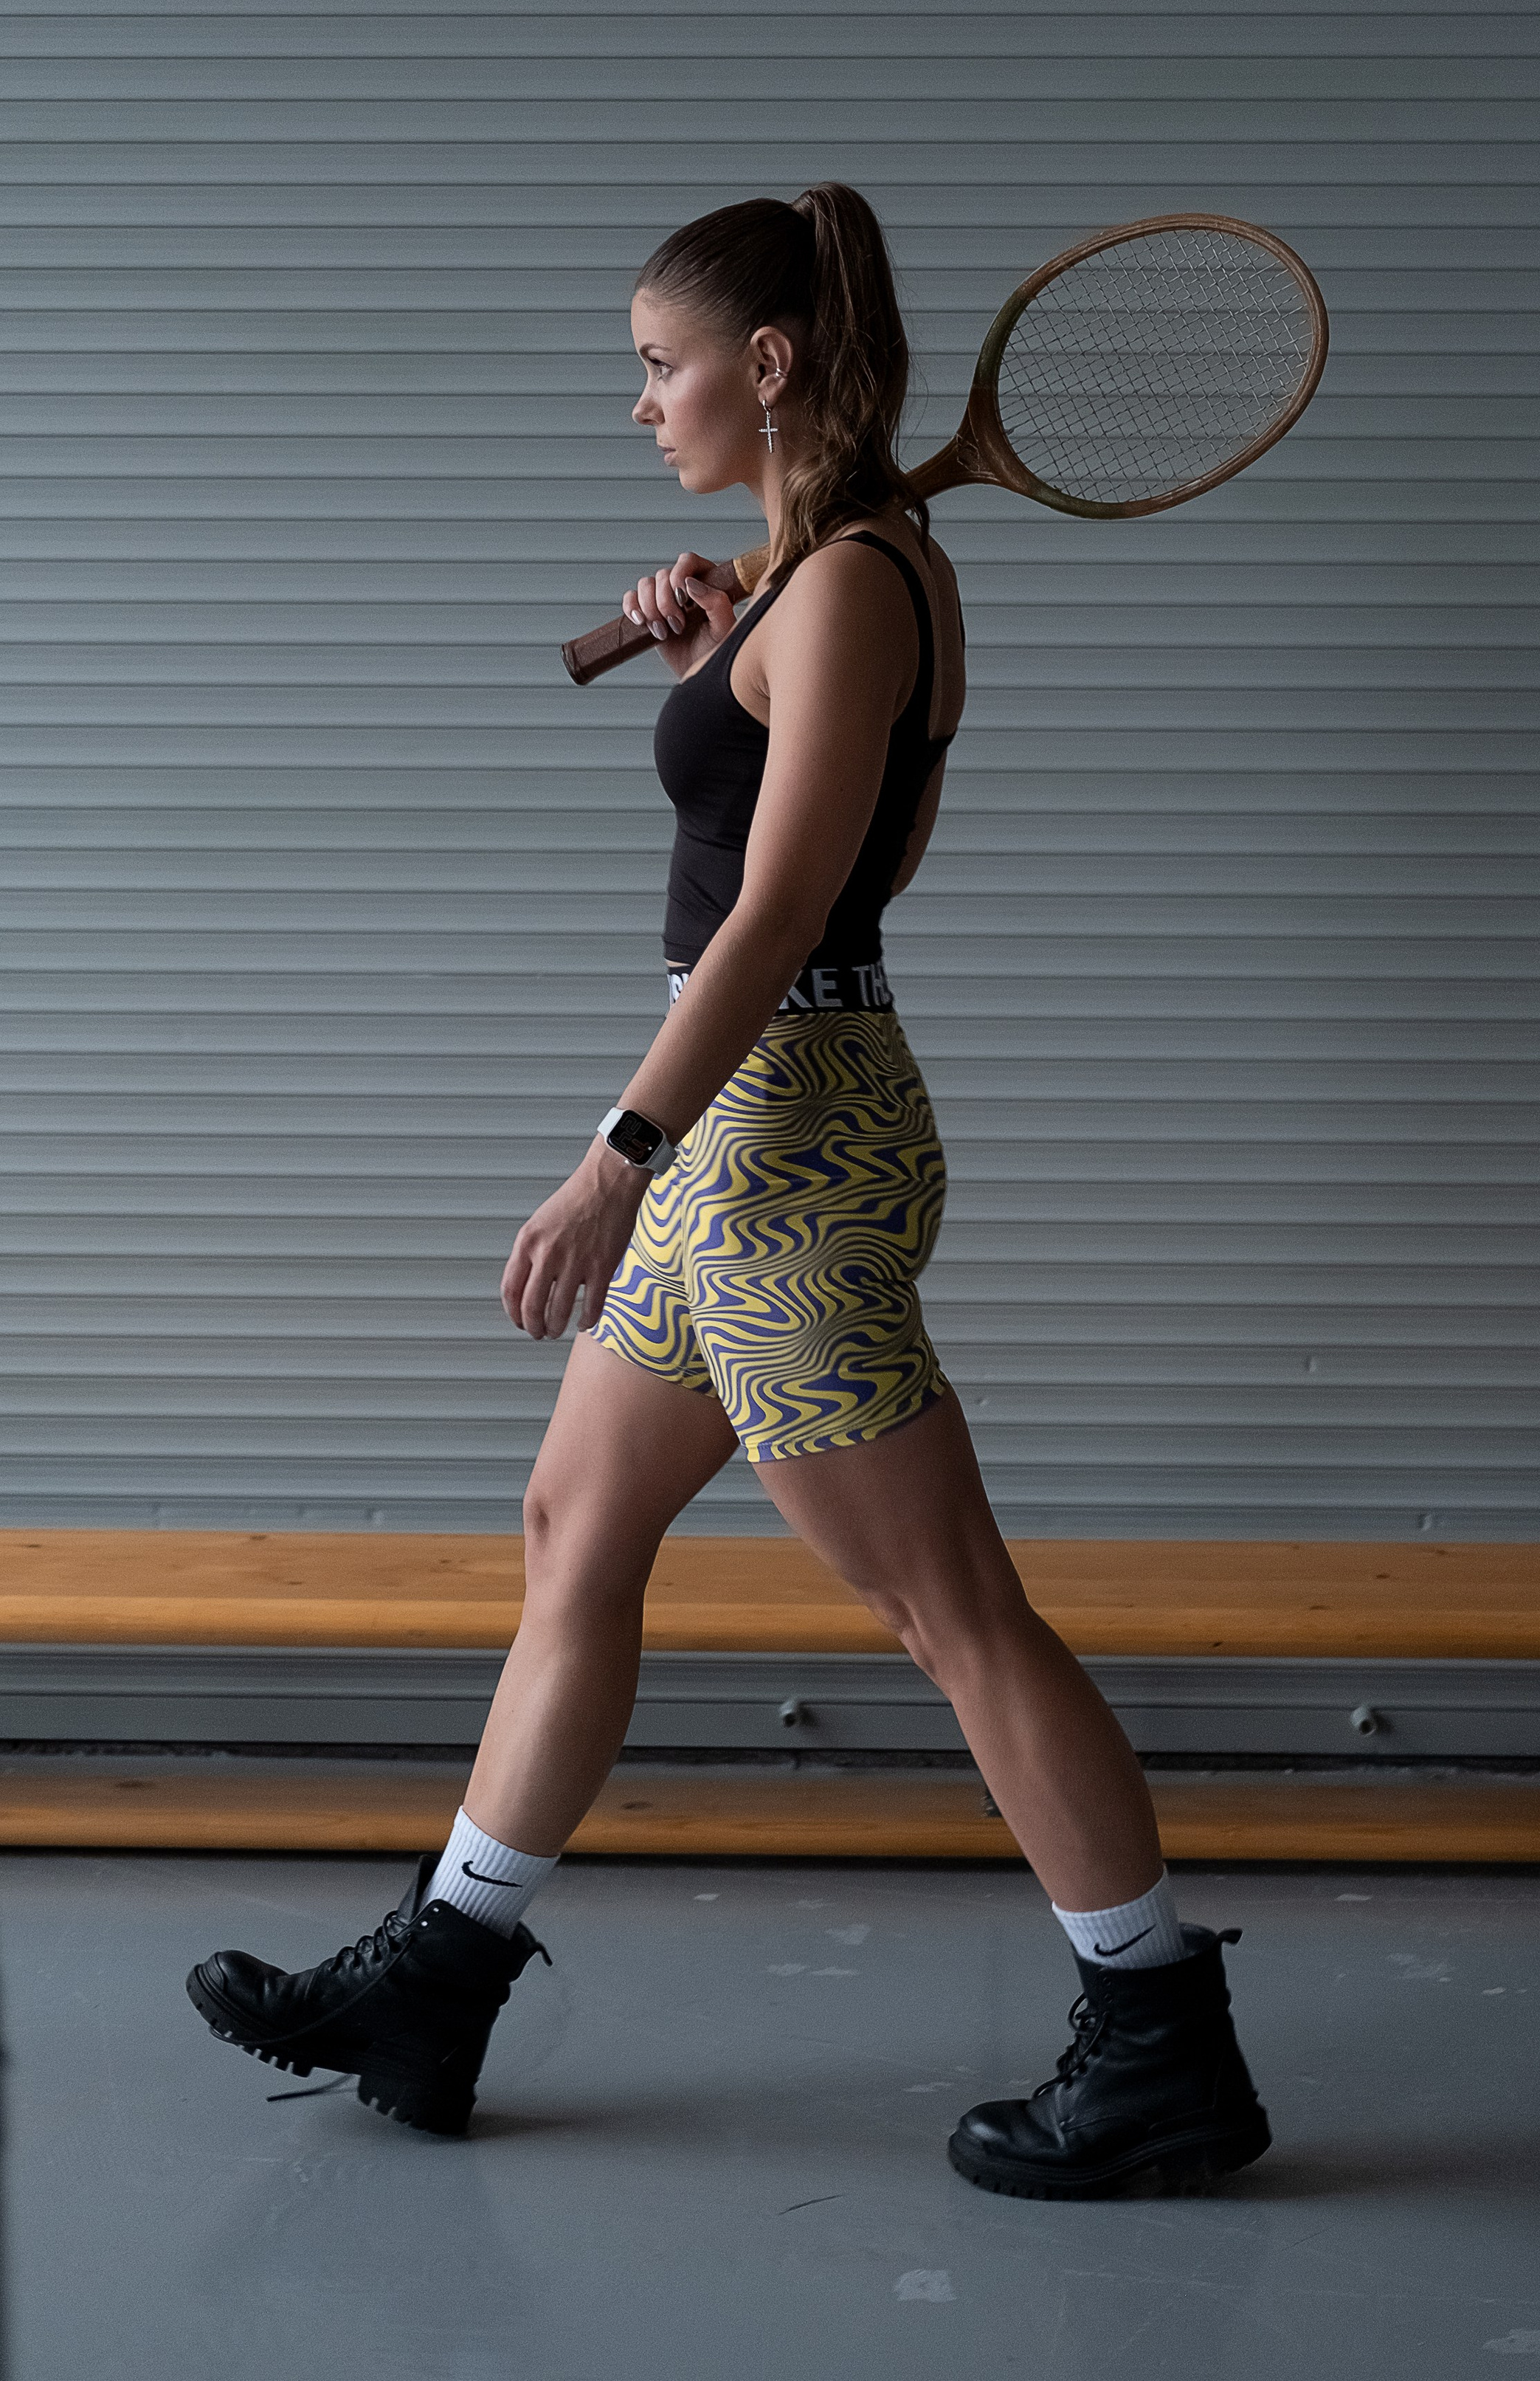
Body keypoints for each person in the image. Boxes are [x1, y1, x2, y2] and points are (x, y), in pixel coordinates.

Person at [185, 182, 1269, 2199]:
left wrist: (619, 1153)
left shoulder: (861, 579)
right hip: (756, 1121)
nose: (642, 404)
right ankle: (442, 1974)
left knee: (948, 1607)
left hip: (779, 1136)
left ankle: (1159, 2041)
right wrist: (730, 649)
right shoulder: (831, 577)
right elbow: (859, 853)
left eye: (660, 365)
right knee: (572, 1529)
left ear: (767, 366)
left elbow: (790, 912)